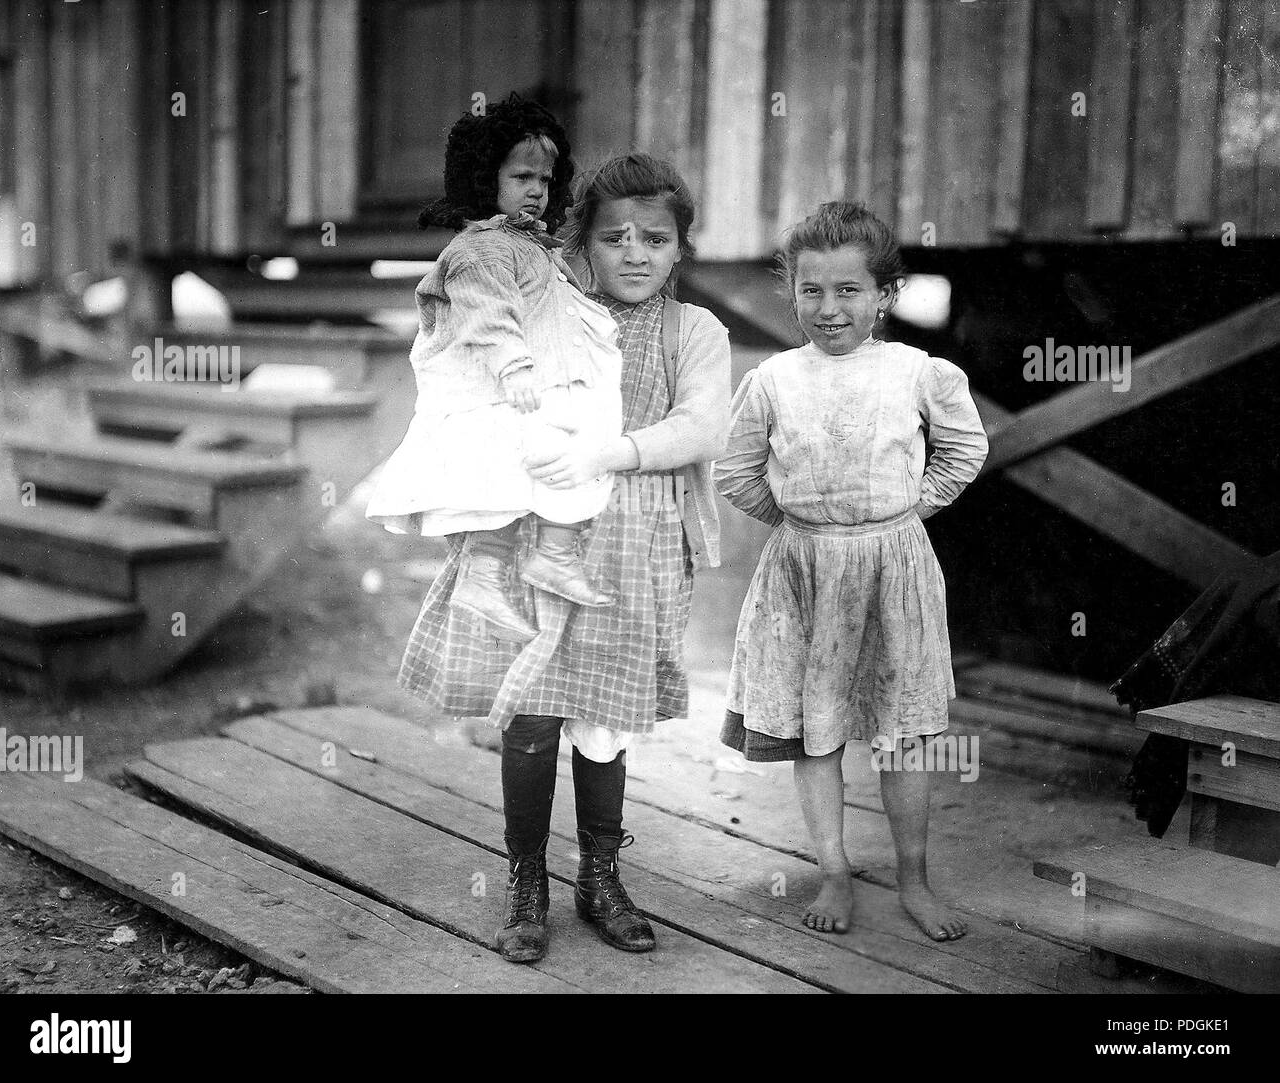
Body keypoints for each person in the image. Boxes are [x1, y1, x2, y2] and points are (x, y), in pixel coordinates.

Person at [398, 152, 731, 963]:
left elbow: (700, 428)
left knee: (606, 719)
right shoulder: (553, 309)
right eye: (613, 236)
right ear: (581, 241)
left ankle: (601, 874)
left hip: (639, 542)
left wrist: (608, 455)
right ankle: (525, 878)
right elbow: (471, 367)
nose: (634, 253)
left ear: (680, 248)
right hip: (542, 533)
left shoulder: (697, 330)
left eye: (655, 238)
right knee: (535, 708)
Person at [714, 201, 987, 942]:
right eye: (812, 290)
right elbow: (736, 472)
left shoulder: (917, 373)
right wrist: (808, 527)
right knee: (818, 729)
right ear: (793, 292)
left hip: (894, 567)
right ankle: (833, 870)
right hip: (805, 573)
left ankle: (914, 878)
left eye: (848, 291)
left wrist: (903, 515)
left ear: (884, 297)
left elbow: (965, 450)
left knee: (904, 730)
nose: (828, 308)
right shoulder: (773, 378)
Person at [366, 94, 622, 642]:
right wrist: (514, 367)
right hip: (495, 390)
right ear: (486, 181)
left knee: (566, 463)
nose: (537, 190)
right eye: (523, 176)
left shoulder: (531, 245)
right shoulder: (480, 250)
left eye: (546, 181)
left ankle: (554, 554)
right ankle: (482, 580)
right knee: (499, 487)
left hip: (540, 385)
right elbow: (489, 315)